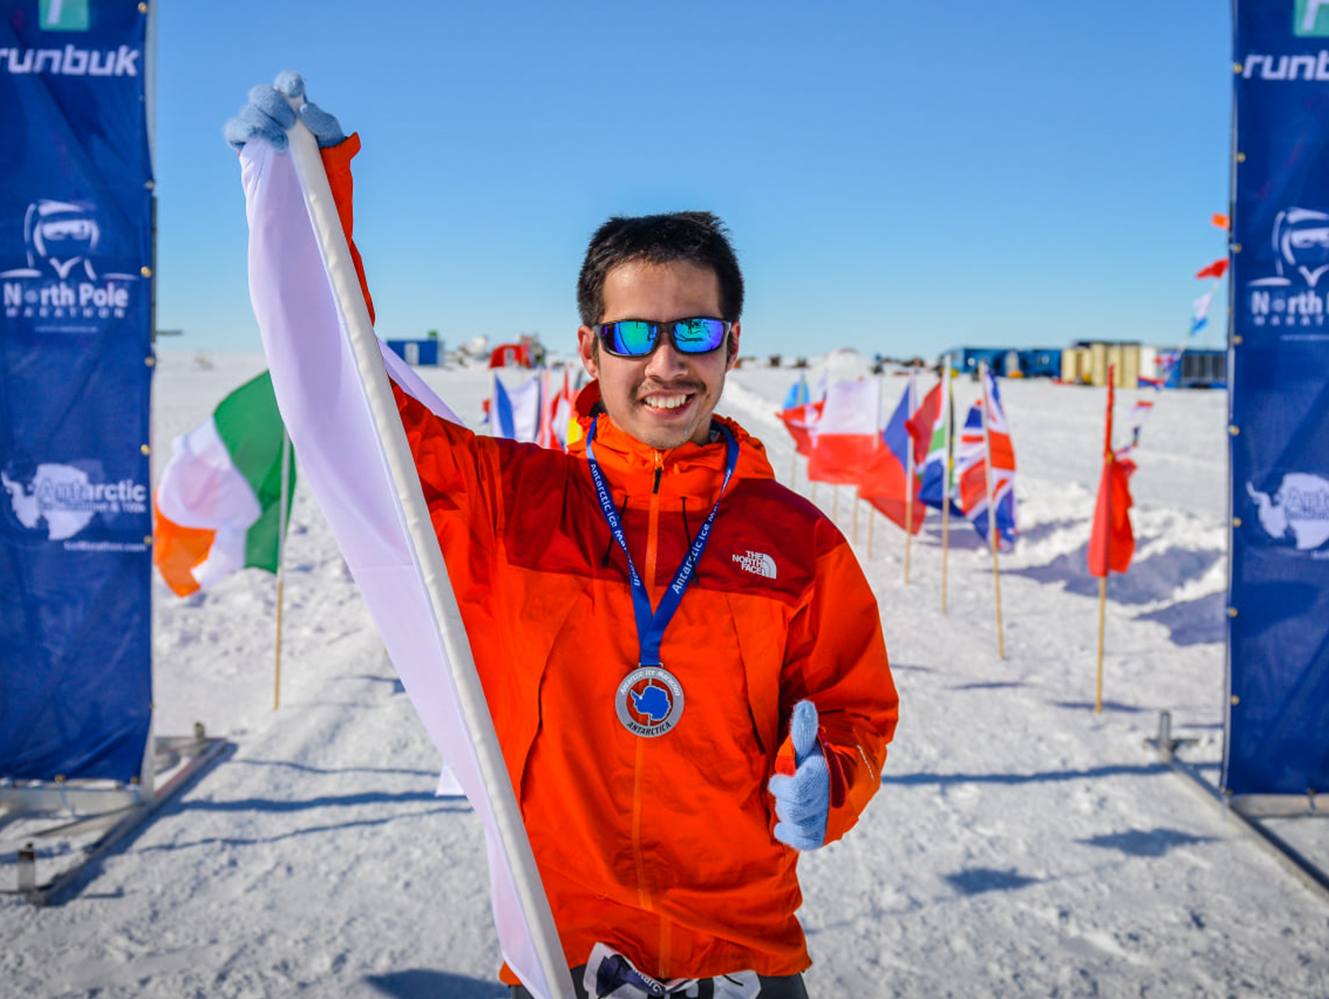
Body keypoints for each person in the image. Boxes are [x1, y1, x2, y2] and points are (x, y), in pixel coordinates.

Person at [228, 74, 898, 999]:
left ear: (731, 347)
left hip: (745, 960)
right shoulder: (513, 501)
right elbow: (355, 402)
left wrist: (830, 776)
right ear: (589, 351)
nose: (665, 364)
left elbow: (855, 708)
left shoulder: (799, 543)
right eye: (633, 335)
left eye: (694, 330)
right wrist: (311, 205)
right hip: (564, 954)